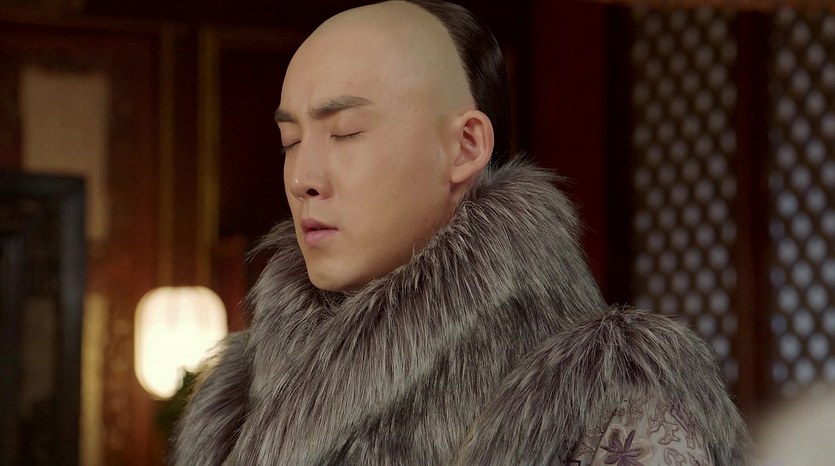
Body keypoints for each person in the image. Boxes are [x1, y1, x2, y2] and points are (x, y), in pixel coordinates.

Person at [173, 1, 749, 464]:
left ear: (466, 146)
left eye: (345, 132)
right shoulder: (236, 395)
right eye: (291, 142)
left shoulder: (613, 390)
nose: (302, 178)